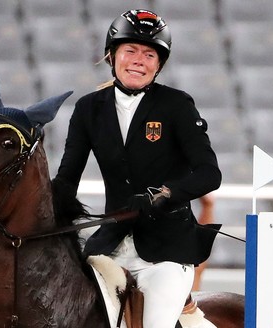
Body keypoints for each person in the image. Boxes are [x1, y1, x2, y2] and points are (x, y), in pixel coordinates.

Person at [53, 9, 222, 328]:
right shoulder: (89, 108)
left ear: (159, 64)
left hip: (166, 252)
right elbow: (66, 181)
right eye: (130, 50)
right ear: (112, 54)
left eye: (149, 54)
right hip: (109, 247)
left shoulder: (176, 105)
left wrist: (163, 194)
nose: (138, 60)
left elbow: (209, 173)